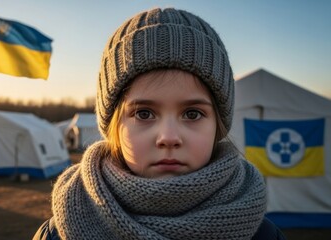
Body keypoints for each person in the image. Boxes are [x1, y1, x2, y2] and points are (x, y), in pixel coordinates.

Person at [33, 7, 286, 240]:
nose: (168, 137)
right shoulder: (58, 233)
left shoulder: (262, 235)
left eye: (193, 114)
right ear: (113, 126)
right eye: (144, 114)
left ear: (218, 124)